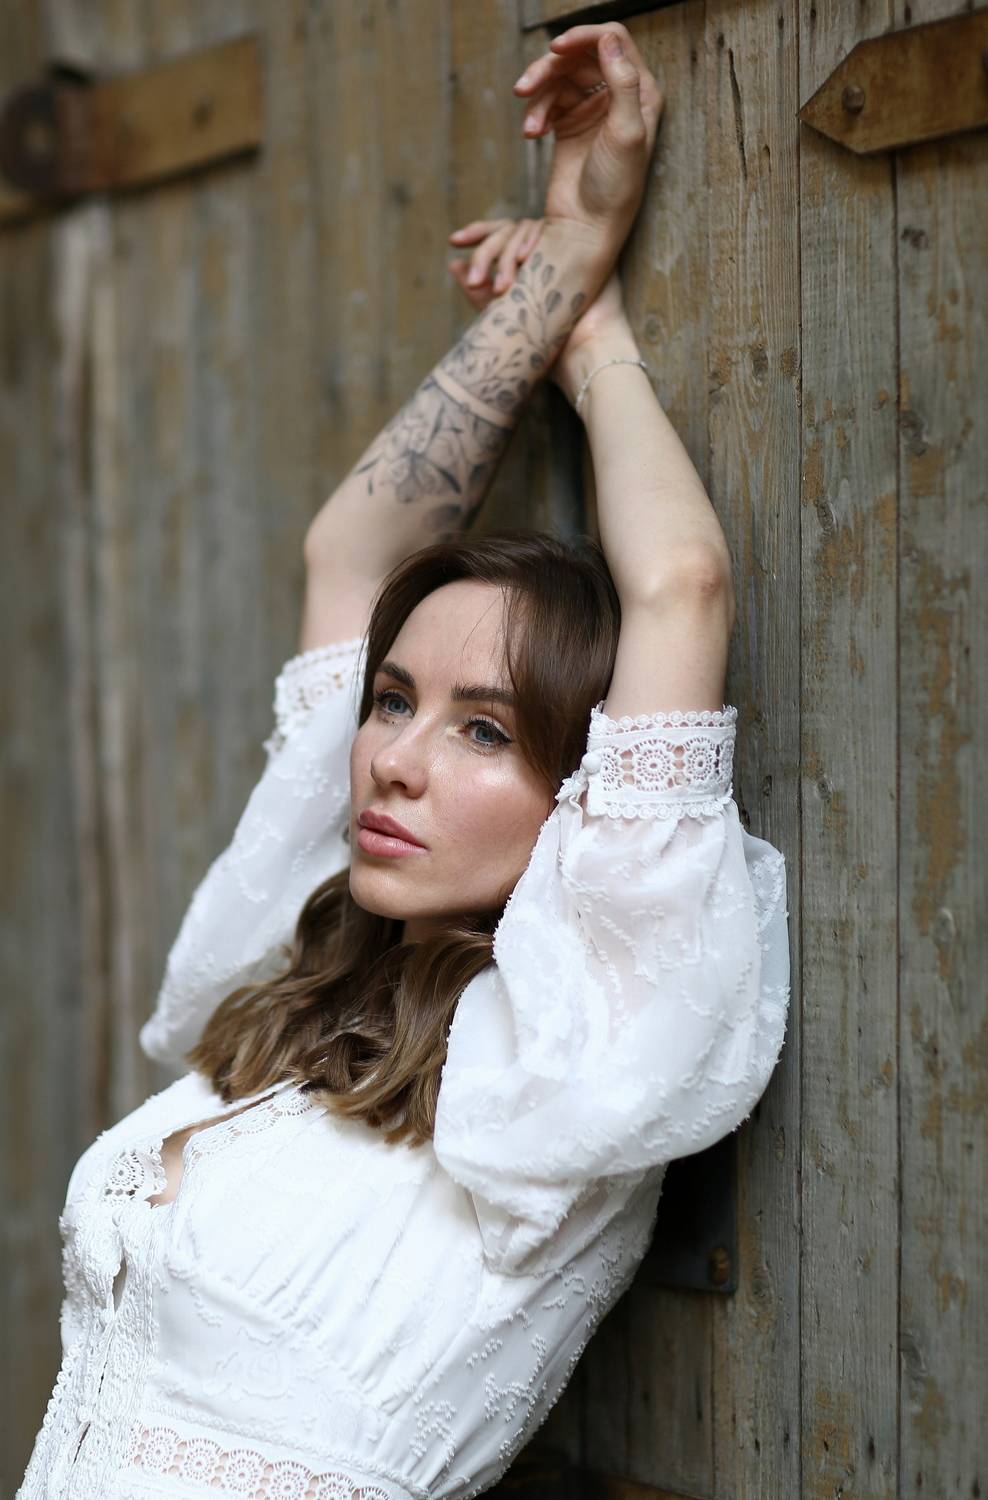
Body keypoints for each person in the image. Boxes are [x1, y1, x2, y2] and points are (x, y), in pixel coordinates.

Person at [18, 22, 790, 1500]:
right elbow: (353, 548)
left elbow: (682, 584)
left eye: (484, 730)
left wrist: (594, 334)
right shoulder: (298, 975)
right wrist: (559, 263)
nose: (393, 761)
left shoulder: (574, 1046)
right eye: (390, 701)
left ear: (585, 796)